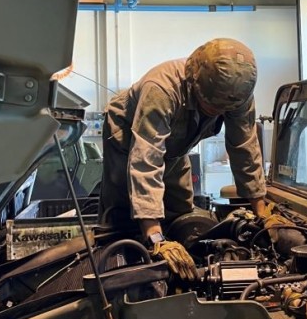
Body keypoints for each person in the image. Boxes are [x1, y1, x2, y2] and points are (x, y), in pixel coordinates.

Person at [99, 38, 268, 281]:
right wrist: (156, 237)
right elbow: (146, 159)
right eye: (210, 105)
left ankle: (178, 266)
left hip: (176, 149)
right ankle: (123, 270)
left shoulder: (237, 94)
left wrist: (262, 213)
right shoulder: (161, 89)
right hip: (126, 141)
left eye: (222, 109)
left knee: (181, 211)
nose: (217, 112)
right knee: (123, 216)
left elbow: (245, 146)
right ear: (194, 83)